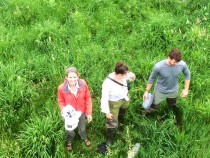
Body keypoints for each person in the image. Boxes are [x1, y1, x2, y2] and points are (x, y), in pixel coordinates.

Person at [143, 48, 190, 128]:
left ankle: (175, 116)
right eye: (174, 62)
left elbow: (187, 74)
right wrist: (146, 91)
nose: (176, 64)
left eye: (177, 62)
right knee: (153, 107)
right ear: (169, 57)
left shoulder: (181, 64)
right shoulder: (158, 66)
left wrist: (186, 89)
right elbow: (152, 78)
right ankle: (145, 117)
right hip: (160, 91)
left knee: (172, 104)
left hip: (173, 90)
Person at [100, 61, 136, 146]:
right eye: (125, 74)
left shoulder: (123, 76)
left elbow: (132, 78)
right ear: (119, 75)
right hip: (114, 103)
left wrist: (132, 75)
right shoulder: (107, 83)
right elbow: (104, 97)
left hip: (124, 99)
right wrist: (107, 112)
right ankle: (110, 137)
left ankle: (118, 126)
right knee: (112, 121)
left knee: (122, 113)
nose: (126, 75)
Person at [57, 67, 92, 151]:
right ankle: (69, 141)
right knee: (69, 129)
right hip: (69, 114)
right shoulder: (61, 88)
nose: (72, 79)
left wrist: (89, 112)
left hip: (81, 112)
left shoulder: (83, 84)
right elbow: (61, 101)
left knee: (82, 127)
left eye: (74, 77)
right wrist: (63, 110)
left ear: (78, 76)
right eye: (70, 77)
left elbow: (88, 98)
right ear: (66, 77)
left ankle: (84, 137)